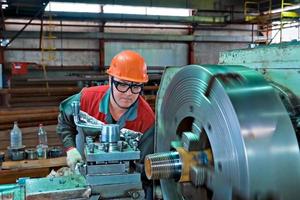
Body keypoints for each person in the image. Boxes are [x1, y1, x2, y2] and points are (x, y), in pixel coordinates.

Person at [56, 50, 155, 198]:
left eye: (136, 86)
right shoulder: (87, 99)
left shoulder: (146, 120)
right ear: (110, 80)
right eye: (122, 84)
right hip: (84, 179)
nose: (129, 93)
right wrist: (70, 148)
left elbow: (144, 169)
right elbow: (64, 121)